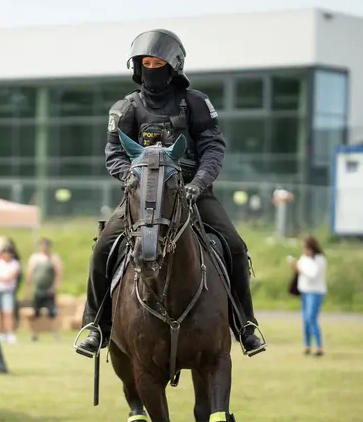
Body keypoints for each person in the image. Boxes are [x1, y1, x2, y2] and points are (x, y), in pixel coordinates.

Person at [75, 29, 266, 358]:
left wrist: (198, 183)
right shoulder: (125, 108)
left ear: (173, 65)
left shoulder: (196, 103)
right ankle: (95, 325)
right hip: (141, 198)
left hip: (193, 193)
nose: (151, 68)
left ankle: (245, 325)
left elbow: (213, 148)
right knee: (103, 249)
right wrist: (132, 179)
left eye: (157, 63)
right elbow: (114, 153)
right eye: (145, 63)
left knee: (235, 246)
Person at [288, 236, 327, 357]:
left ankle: (319, 346)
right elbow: (300, 271)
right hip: (304, 290)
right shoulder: (304, 258)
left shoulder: (319, 259)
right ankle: (307, 345)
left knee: (311, 318)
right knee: (305, 319)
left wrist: (299, 269)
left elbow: (313, 275)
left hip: (315, 292)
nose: (304, 250)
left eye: (305, 248)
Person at [26, 238, 63, 341]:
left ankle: (56, 333)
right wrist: (28, 289)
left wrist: (54, 287)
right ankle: (34, 333)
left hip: (49, 290)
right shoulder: (35, 258)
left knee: (53, 312)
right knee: (35, 312)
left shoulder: (53, 258)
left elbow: (58, 273)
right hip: (38, 290)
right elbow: (30, 274)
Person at [0, 246, 20, 343]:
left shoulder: (14, 264)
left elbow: (9, 277)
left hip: (8, 290)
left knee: (8, 312)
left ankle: (9, 333)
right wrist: (1, 278)